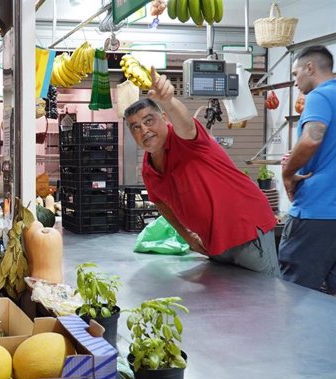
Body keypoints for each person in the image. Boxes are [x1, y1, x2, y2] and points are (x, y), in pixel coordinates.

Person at [123, 67, 279, 276]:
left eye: (149, 120)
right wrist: (187, 237)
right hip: (213, 243)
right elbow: (160, 202)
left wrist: (168, 101)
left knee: (266, 299)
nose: (144, 130)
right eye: (135, 127)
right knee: (236, 304)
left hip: (246, 231)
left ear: (164, 117)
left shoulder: (185, 139)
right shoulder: (148, 168)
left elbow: (185, 124)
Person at [279, 45, 336, 293]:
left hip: (317, 211)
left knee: (296, 295)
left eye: (295, 74)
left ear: (310, 68)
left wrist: (288, 173)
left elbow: (313, 138)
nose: (295, 82)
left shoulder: (320, 96)